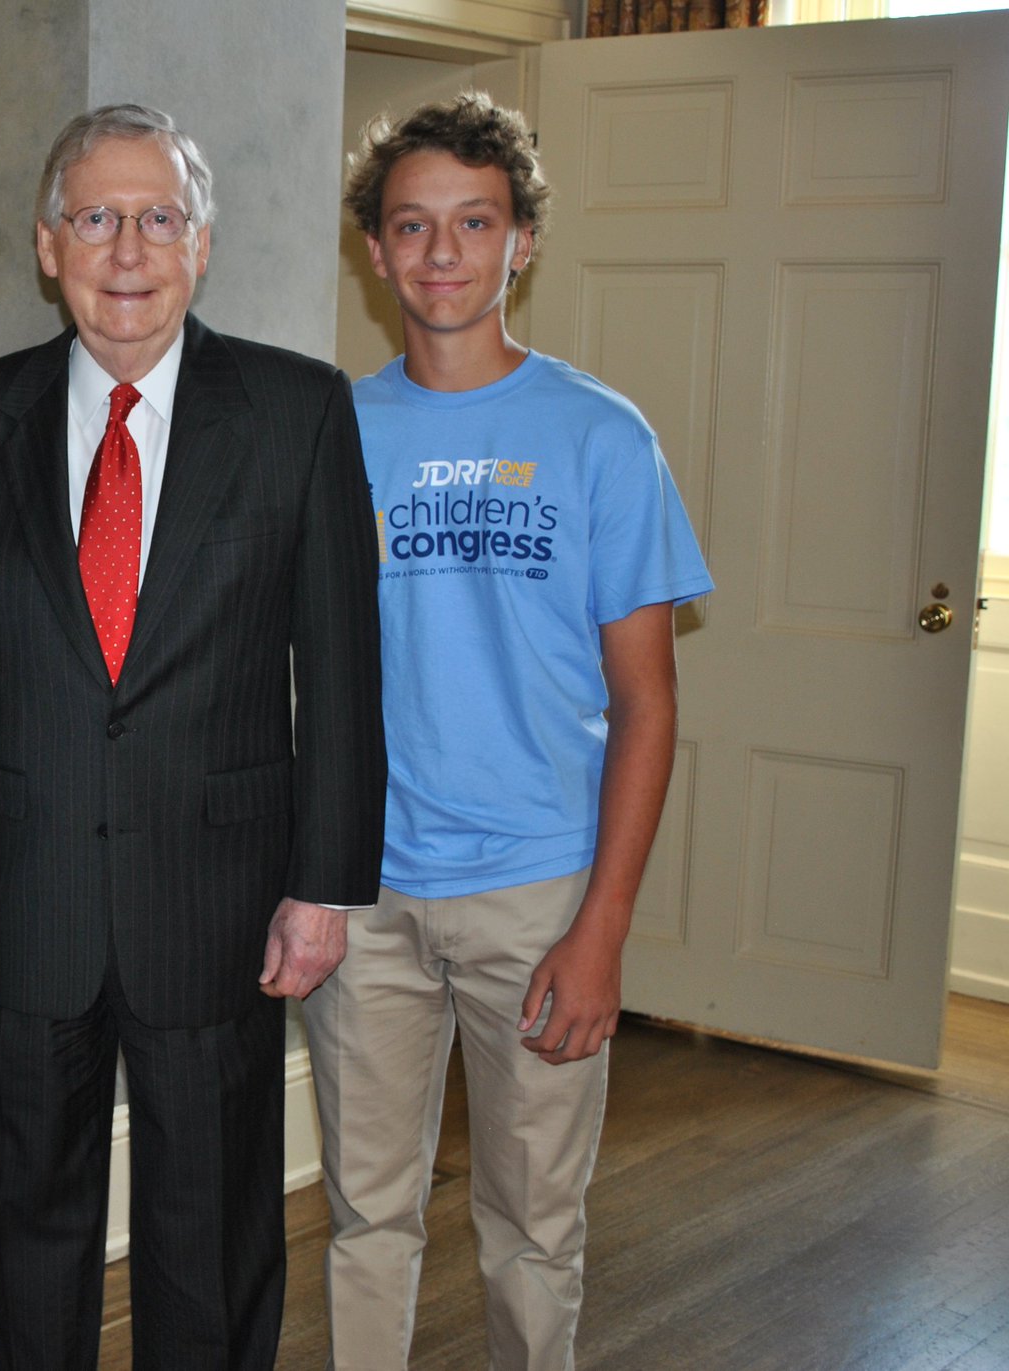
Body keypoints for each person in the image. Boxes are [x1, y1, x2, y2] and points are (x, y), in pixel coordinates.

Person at [0, 104, 386, 1368]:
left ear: (202, 245)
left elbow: (342, 670)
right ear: (46, 246)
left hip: (219, 905)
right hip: (23, 897)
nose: (128, 250)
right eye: (95, 218)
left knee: (210, 1238)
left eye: (158, 217)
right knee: (27, 1237)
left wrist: (325, 888)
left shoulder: (296, 409)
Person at [308, 92, 714, 1371]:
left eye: (472, 222)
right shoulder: (325, 435)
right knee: (365, 1217)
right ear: (373, 251)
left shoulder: (600, 436)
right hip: (363, 893)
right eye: (410, 225)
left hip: (538, 895)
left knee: (534, 1228)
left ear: (520, 242)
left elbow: (647, 702)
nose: (440, 252)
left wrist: (601, 929)